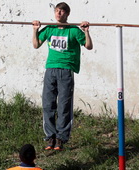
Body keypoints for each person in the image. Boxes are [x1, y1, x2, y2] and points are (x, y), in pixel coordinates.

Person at [32, 2, 93, 150]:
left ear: (67, 14)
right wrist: (35, 30)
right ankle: (50, 137)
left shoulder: (73, 30)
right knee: (48, 104)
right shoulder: (49, 29)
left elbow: (89, 45)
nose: (59, 13)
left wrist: (86, 31)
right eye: (57, 11)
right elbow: (36, 44)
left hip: (66, 70)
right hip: (51, 69)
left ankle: (61, 138)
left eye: (62, 11)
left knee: (64, 105)